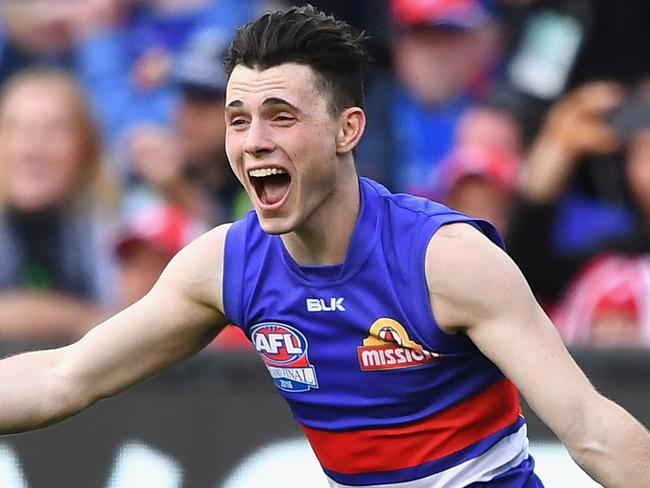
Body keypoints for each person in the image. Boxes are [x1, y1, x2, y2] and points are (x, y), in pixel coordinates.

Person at [0, 5, 649, 488]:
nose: (253, 140)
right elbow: (66, 376)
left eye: (281, 116)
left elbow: (591, 431)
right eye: (237, 119)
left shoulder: (445, 260)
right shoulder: (224, 266)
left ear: (348, 130)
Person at [0, 67, 118, 341]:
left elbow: (142, 328)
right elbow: (113, 324)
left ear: (87, 148)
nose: (34, 150)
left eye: (54, 130)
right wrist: (85, 319)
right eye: (19, 130)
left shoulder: (123, 229)